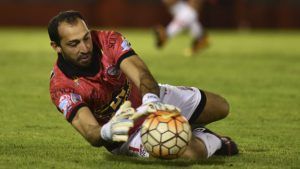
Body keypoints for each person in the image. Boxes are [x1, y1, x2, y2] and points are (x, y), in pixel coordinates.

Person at [48, 10, 238, 160]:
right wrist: (106, 131)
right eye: (74, 44)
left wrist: (150, 99)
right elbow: (89, 131)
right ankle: (214, 141)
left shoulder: (108, 40)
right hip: (127, 135)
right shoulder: (61, 86)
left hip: (151, 100)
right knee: (187, 153)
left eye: (86, 38)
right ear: (56, 46)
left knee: (221, 106)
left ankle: (187, 127)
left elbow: (141, 74)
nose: (85, 48)